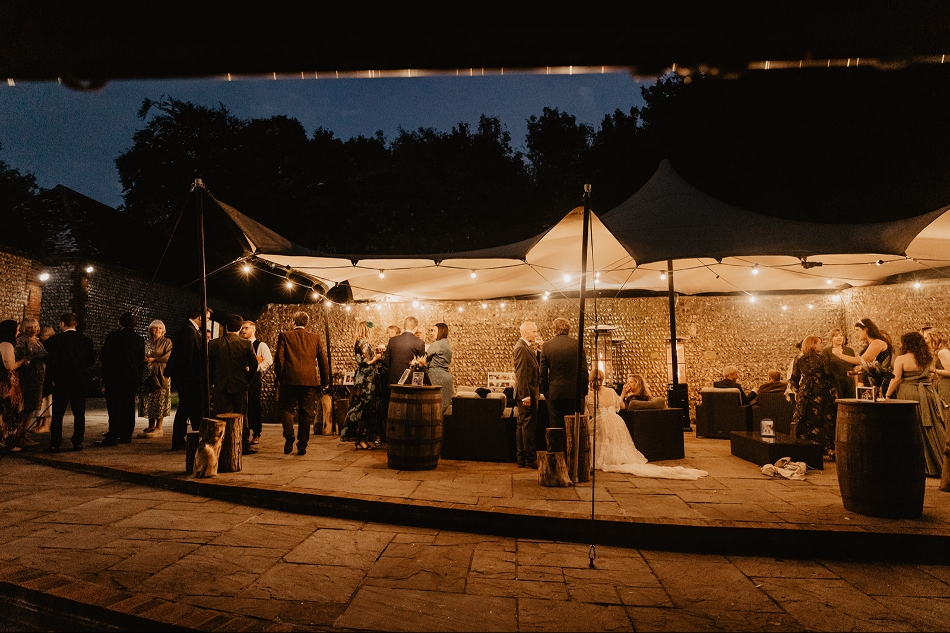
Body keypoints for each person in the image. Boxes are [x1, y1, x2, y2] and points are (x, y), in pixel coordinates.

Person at [587, 369, 707, 480]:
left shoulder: (589, 395)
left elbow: (587, 412)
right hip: (616, 421)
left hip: (600, 421)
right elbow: (621, 406)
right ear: (602, 379)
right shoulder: (611, 391)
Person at [885, 331, 947, 477]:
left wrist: (887, 395)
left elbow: (896, 379)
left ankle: (916, 464)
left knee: (912, 428)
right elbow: (933, 375)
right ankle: (942, 465)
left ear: (906, 344)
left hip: (909, 393)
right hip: (928, 394)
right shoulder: (927, 358)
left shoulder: (901, 359)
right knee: (933, 427)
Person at [275, 311, 329, 456]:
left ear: (293, 321)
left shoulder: (285, 336)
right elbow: (323, 360)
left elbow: (279, 359)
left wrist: (279, 378)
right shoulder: (315, 338)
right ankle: (302, 445)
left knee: (286, 408)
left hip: (289, 380)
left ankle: (289, 435)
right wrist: (325, 381)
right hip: (309, 380)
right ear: (306, 323)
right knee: (306, 413)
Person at [43, 313, 95, 453]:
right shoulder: (86, 341)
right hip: (79, 381)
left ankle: (55, 443)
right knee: (79, 413)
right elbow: (91, 361)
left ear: (62, 324)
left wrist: (52, 379)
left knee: (58, 414)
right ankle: (77, 442)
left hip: (61, 381)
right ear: (75, 324)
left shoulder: (56, 340)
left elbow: (51, 362)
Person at [208, 313, 259, 455]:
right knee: (242, 415)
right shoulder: (246, 344)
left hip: (220, 384)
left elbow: (210, 367)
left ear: (226, 327)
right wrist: (247, 378)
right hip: (240, 384)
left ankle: (218, 443)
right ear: (240, 328)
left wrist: (212, 382)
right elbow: (254, 364)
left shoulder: (214, 344)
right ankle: (244, 444)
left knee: (219, 415)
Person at [164, 305, 211, 450]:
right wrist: (192, 377)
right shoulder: (188, 331)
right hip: (189, 378)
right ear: (200, 317)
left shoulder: (188, 329)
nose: (208, 321)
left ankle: (186, 437)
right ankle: (179, 439)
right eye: (207, 318)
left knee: (188, 408)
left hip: (188, 377)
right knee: (186, 408)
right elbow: (186, 357)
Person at [96, 312, 145, 447]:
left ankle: (113, 435)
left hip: (115, 376)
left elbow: (105, 356)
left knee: (114, 407)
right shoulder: (139, 339)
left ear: (120, 322)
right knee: (128, 406)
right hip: (131, 377)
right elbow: (141, 359)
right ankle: (126, 434)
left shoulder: (114, 337)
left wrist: (103, 376)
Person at [790, 335, 838, 457]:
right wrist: (834, 391)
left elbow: (794, 379)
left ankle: (803, 445)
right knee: (823, 418)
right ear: (813, 344)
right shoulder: (823, 359)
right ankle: (826, 447)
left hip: (805, 391)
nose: (822, 345)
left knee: (804, 417)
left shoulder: (799, 359)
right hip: (820, 390)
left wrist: (797, 391)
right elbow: (829, 377)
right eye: (820, 343)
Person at [340, 321, 383, 449]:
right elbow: (366, 361)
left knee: (362, 408)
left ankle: (360, 438)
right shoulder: (363, 342)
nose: (372, 331)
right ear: (366, 329)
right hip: (366, 381)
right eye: (370, 329)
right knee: (364, 409)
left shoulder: (359, 342)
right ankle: (361, 439)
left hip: (363, 379)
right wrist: (378, 357)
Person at [539, 317, 588, 429]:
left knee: (556, 429)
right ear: (568, 329)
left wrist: (546, 392)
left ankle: (558, 447)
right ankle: (572, 447)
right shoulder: (577, 344)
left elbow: (542, 373)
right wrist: (583, 391)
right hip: (574, 393)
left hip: (555, 393)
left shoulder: (547, 346)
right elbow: (584, 371)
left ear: (554, 329)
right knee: (574, 428)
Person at [833, 318, 893, 391]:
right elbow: (871, 365)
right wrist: (858, 371)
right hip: (871, 382)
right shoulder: (871, 344)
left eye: (857, 330)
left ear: (865, 329)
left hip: (880, 383)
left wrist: (840, 355)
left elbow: (861, 360)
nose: (856, 333)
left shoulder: (877, 343)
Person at [137, 320, 173, 438]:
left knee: (160, 399)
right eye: (155, 328)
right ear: (150, 330)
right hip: (147, 374)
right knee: (149, 399)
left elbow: (169, 356)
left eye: (159, 328)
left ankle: (159, 426)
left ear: (163, 331)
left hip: (161, 374)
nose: (157, 330)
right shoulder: (147, 342)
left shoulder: (167, 342)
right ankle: (151, 425)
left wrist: (155, 360)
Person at [15, 317, 48, 442]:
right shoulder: (22, 341)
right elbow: (20, 358)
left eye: (34, 327)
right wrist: (34, 358)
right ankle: (19, 435)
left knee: (32, 407)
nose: (33, 329)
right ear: (24, 328)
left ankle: (24, 434)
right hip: (28, 377)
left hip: (38, 378)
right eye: (29, 327)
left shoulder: (38, 341)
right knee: (26, 407)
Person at [239, 320, 272, 445]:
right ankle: (244, 433)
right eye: (242, 328)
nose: (243, 330)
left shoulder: (261, 345)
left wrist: (255, 368)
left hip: (254, 379)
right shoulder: (240, 343)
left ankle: (256, 433)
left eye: (246, 328)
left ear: (254, 329)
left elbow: (268, 360)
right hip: (241, 378)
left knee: (255, 405)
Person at [513, 321, 540, 469]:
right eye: (534, 332)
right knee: (527, 426)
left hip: (528, 392)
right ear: (525, 333)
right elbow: (521, 373)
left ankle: (522, 457)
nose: (536, 334)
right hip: (527, 393)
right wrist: (525, 396)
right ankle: (529, 458)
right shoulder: (521, 349)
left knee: (522, 425)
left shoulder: (525, 348)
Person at [0, 319, 30, 451]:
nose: (18, 331)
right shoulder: (6, 344)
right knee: (8, 412)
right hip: (7, 384)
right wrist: (24, 360)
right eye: (16, 329)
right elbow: (10, 366)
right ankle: (8, 443)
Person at [426, 322, 454, 412]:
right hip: (446, 376)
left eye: (434, 331)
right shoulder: (447, 344)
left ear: (440, 331)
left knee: (436, 407)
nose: (432, 333)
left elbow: (425, 357)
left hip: (436, 376)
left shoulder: (437, 344)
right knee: (445, 406)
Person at [823, 328, 857, 401]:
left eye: (841, 335)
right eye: (836, 336)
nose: (839, 337)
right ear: (831, 338)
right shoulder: (827, 351)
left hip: (849, 383)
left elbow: (854, 367)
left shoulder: (849, 351)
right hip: (835, 383)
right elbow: (826, 370)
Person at [921, 326, 950, 408]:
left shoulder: (943, 352)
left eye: (926, 338)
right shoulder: (937, 352)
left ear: (933, 338)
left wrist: (933, 370)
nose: (924, 341)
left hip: (946, 386)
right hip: (941, 385)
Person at [34, 324, 55, 433]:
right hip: (41, 375)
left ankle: (45, 425)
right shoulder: (41, 343)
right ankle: (39, 423)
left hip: (47, 376)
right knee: (40, 401)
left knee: (46, 400)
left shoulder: (50, 344)